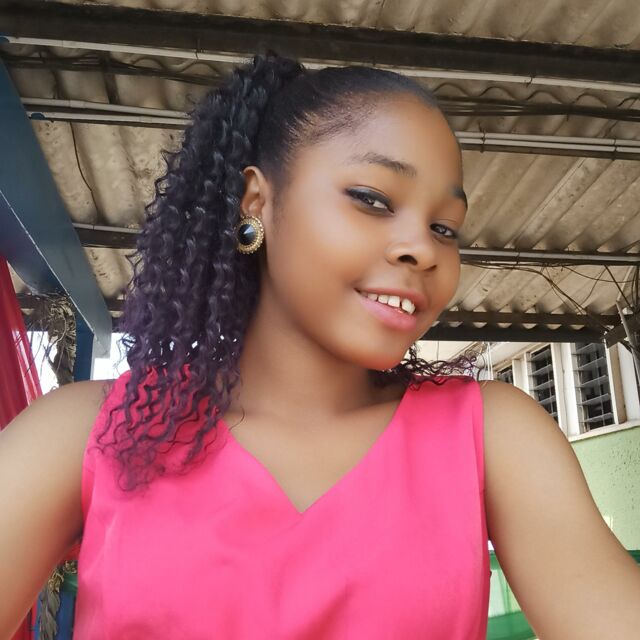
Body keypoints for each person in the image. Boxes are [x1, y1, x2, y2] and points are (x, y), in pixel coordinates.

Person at [1, 51, 639, 640]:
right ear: (258, 201)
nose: (423, 248)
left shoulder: (492, 437)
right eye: (372, 199)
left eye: (445, 227)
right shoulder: (86, 434)